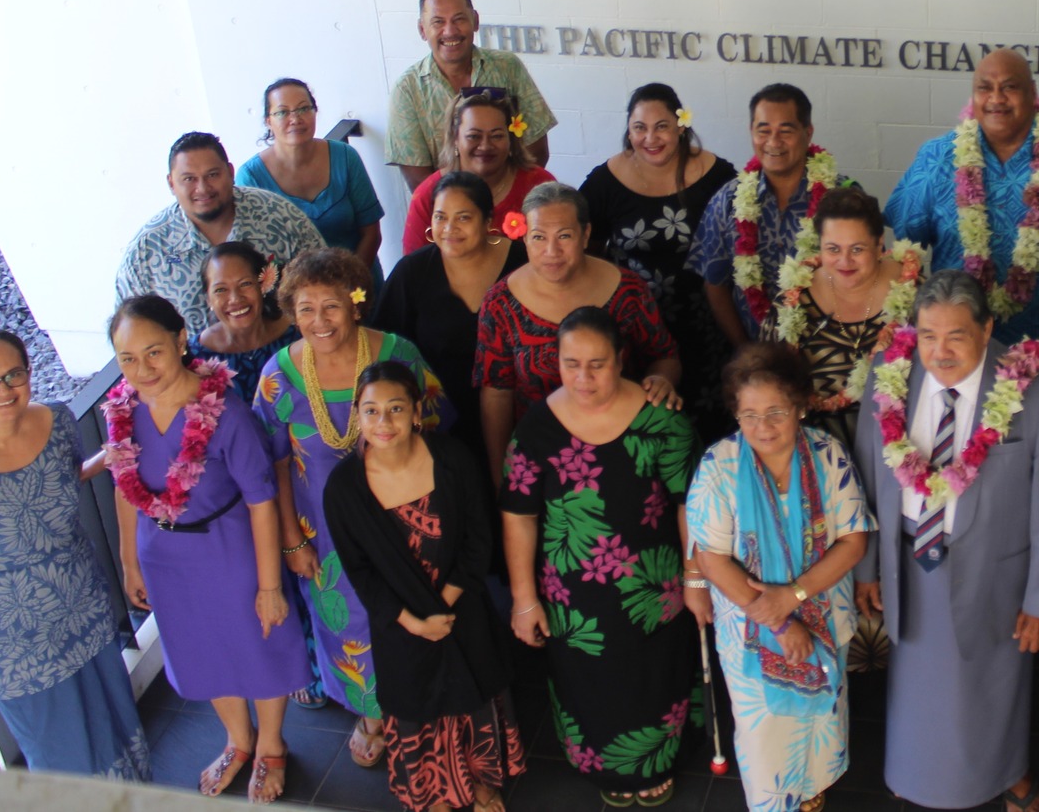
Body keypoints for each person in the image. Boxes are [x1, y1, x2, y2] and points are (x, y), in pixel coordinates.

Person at [853, 269, 1039, 812]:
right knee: (914, 683)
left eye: (956, 335)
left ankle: (1008, 773)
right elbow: (866, 477)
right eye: (928, 335)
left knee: (991, 687)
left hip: (995, 575)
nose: (941, 351)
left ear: (987, 330)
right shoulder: (889, 378)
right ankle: (914, 770)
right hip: (909, 563)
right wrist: (867, 567)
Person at [0, 330, 151, 781]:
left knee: (118, 727)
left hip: (83, 605)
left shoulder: (59, 421)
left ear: (29, 374)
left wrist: (103, 459)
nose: (3, 389)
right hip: (19, 641)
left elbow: (59, 481)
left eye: (14, 375)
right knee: (64, 760)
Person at [105, 295, 311, 802]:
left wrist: (268, 585)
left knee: (258, 646)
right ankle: (237, 741)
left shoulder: (226, 414)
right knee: (202, 652)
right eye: (127, 359)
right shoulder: (123, 414)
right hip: (164, 556)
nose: (142, 369)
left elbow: (262, 502)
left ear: (180, 341)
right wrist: (130, 561)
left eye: (152, 352)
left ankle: (270, 746)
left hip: (230, 549)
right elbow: (123, 484)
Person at [253, 248, 448, 768]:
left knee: (411, 614)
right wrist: (292, 542)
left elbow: (437, 430)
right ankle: (372, 715)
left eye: (333, 306)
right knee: (349, 621)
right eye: (306, 308)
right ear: (292, 312)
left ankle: (421, 710)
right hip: (322, 533)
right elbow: (271, 466)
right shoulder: (277, 377)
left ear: (357, 304)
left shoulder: (398, 354)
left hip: (404, 522)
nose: (320, 321)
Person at [501, 307, 698, 807]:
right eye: (571, 364)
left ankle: (655, 762)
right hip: (573, 592)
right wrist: (525, 599)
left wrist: (696, 578)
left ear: (621, 360)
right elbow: (519, 515)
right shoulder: (536, 429)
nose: (583, 377)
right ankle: (602, 766)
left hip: (655, 588)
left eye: (597, 364)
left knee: (654, 673)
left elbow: (688, 508)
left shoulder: (664, 422)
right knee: (587, 681)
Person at [323, 362, 525, 812]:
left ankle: (482, 785)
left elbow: (479, 538)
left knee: (474, 689)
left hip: (462, 606)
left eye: (395, 408)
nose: (383, 422)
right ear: (357, 415)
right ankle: (433, 792)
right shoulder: (343, 489)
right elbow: (359, 571)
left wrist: (447, 605)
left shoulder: (452, 459)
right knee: (418, 701)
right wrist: (412, 622)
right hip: (400, 623)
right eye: (371, 411)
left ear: (417, 411)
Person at [687, 344, 874, 812]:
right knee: (764, 731)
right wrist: (778, 621)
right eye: (749, 414)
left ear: (799, 406)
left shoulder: (829, 455)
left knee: (817, 726)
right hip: (752, 630)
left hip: (824, 618)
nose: (763, 427)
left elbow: (854, 542)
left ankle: (810, 791)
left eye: (776, 412)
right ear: (735, 413)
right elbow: (711, 559)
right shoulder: (719, 467)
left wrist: (792, 597)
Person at [886, 50, 1039, 363]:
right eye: (984, 88)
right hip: (953, 360)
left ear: (1033, 94)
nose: (996, 99)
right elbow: (905, 253)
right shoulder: (936, 159)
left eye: (1010, 87)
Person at [476, 182, 683, 486]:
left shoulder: (628, 289)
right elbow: (496, 395)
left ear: (585, 235)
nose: (551, 251)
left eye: (564, 236)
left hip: (626, 455)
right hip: (540, 465)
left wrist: (662, 380)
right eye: (538, 237)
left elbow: (665, 357)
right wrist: (500, 480)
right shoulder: (500, 303)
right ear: (524, 237)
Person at [579, 84, 738, 439]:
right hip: (635, 331)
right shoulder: (606, 181)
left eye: (661, 126)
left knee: (707, 426)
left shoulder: (717, 175)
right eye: (639, 128)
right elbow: (582, 242)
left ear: (681, 126)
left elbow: (743, 244)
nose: (650, 137)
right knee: (645, 431)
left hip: (706, 327)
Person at [376, 171, 526, 467]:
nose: (449, 228)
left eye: (463, 218)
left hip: (522, 419)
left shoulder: (523, 263)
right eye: (440, 217)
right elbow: (384, 349)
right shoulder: (412, 273)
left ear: (487, 222)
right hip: (440, 429)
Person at [688, 83, 853, 349]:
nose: (773, 142)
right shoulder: (728, 200)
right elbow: (714, 283)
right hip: (754, 357)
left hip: (830, 357)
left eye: (785, 131)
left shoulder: (842, 199)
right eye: (763, 131)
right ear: (751, 133)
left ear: (807, 133)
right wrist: (745, 350)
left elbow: (865, 276)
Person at [117, 132, 326, 336]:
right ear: (171, 183)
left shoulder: (281, 218)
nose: (202, 188)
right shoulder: (145, 252)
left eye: (213, 175)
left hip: (289, 361)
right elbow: (128, 332)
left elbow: (327, 282)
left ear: (230, 172)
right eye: (189, 179)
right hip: (191, 369)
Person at [761, 186, 921, 447]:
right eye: (833, 249)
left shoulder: (917, 297)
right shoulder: (793, 300)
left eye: (857, 249)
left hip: (896, 447)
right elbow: (766, 382)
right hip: (812, 449)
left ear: (879, 244)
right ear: (819, 246)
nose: (844, 261)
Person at [387, 0, 555, 191]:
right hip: (448, 215)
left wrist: (503, 199)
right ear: (422, 29)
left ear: (475, 21)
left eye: (459, 19)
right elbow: (419, 182)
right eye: (438, 22)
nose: (450, 31)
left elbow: (537, 151)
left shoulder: (507, 68)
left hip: (514, 209)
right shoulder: (407, 89)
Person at [238, 77, 385, 290]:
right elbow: (256, 257)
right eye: (282, 112)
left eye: (303, 109)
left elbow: (371, 232)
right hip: (295, 300)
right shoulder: (250, 177)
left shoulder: (345, 157)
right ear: (268, 120)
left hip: (359, 285)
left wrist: (348, 288)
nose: (295, 119)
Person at [401, 91, 557, 256]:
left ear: (511, 139)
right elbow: (414, 268)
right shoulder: (428, 194)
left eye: (496, 136)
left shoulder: (539, 185)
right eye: (473, 136)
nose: (485, 146)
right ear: (455, 139)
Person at [190, 241, 300, 401]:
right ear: (208, 299)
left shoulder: (297, 334)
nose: (235, 299)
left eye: (245, 284)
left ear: (263, 285)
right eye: (220, 290)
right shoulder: (195, 358)